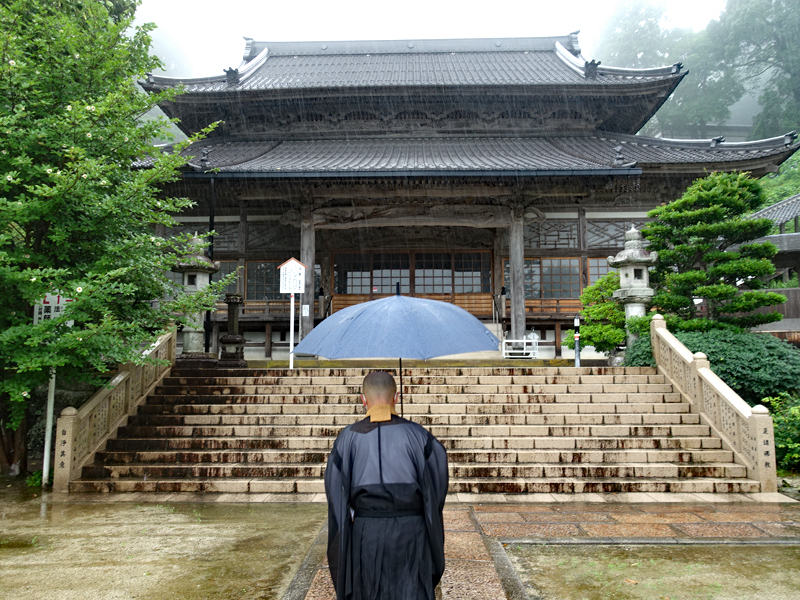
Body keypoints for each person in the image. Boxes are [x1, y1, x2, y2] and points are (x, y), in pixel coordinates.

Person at [324, 370, 449, 600]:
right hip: (412, 532)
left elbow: (335, 494)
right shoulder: (419, 436)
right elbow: (437, 485)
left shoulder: (348, 438)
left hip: (367, 534)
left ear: (363, 400)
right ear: (396, 397)